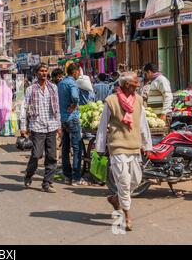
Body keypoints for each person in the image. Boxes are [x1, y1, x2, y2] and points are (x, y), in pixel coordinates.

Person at [96, 72, 152, 231]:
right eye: (136, 81)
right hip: (117, 146)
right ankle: (127, 215)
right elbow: (102, 126)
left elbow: (143, 124)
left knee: (135, 179)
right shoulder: (111, 101)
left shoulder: (139, 100)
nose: (138, 83)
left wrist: (147, 145)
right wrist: (100, 147)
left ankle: (115, 198)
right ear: (127, 84)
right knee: (124, 181)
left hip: (134, 146)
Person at [20, 64, 61, 193]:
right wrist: (23, 126)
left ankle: (47, 183)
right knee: (36, 155)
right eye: (41, 71)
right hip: (37, 126)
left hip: (52, 126)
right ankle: (29, 174)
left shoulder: (53, 88)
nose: (43, 73)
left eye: (45, 71)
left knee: (52, 156)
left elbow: (57, 108)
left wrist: (59, 125)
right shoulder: (31, 89)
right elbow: (24, 107)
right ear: (36, 73)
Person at [58, 63, 87, 186]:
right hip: (72, 119)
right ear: (74, 72)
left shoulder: (61, 83)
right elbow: (75, 97)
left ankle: (67, 176)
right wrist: (74, 105)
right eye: (78, 72)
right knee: (77, 148)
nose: (79, 74)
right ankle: (76, 177)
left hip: (63, 119)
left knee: (65, 148)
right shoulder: (72, 83)